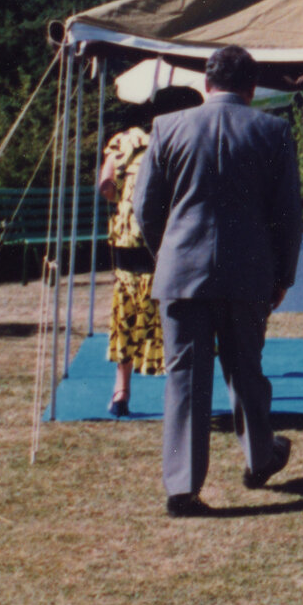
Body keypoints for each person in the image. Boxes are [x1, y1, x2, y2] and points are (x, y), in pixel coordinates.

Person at [133, 45, 303, 517]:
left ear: (206, 83)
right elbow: (288, 214)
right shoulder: (273, 130)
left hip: (180, 273)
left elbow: (145, 207)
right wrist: (282, 274)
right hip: (248, 273)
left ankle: (182, 488)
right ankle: (259, 458)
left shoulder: (167, 127)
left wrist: (167, 254)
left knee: (184, 379)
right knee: (246, 370)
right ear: (252, 88)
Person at [97, 85, 202, 417]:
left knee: (126, 312)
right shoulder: (184, 141)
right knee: (177, 314)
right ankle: (179, 392)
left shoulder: (125, 141)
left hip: (128, 241)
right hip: (168, 241)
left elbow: (105, 185)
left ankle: (121, 391)